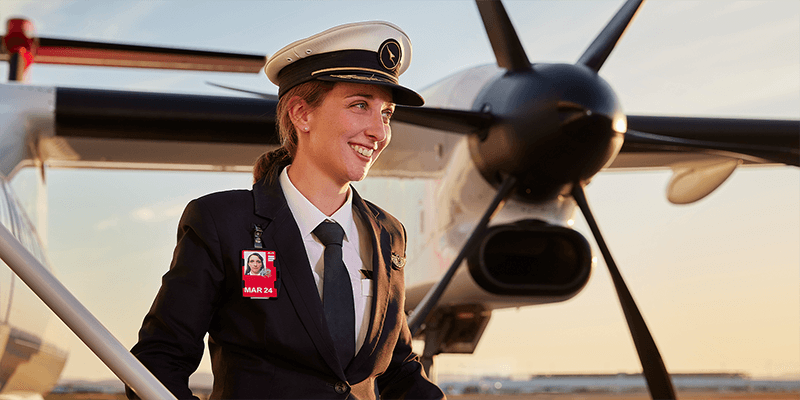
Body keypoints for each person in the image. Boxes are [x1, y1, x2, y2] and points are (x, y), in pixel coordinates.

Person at [128, 21, 444, 400]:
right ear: (301, 114)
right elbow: (159, 362)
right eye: (360, 105)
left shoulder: (388, 234)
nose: (379, 131)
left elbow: (401, 370)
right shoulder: (221, 223)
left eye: (387, 113)